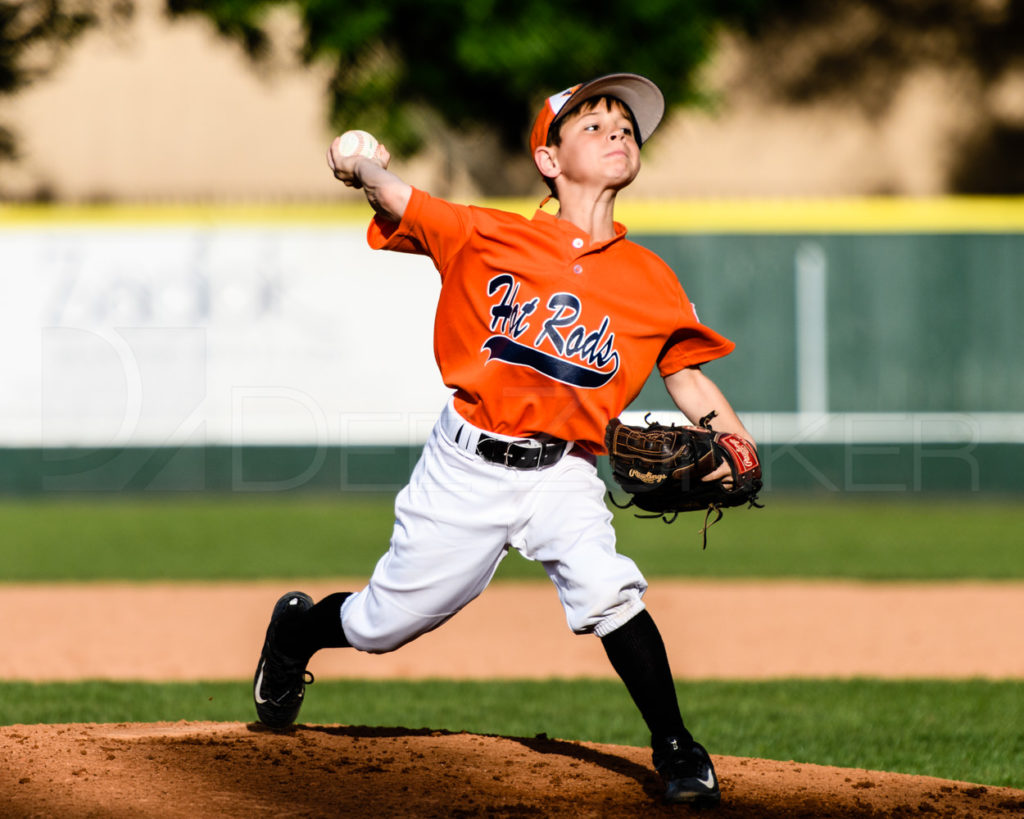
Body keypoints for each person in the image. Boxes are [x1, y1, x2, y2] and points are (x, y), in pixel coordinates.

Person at [253, 73, 756, 807]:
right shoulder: (487, 233)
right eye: (593, 124)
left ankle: (677, 746)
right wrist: (360, 161)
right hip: (467, 465)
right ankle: (298, 631)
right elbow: (398, 200)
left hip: (567, 473)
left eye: (626, 126)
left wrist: (739, 445)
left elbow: (688, 378)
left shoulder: (651, 280)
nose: (617, 131)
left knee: (609, 589)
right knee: (381, 623)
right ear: (549, 160)